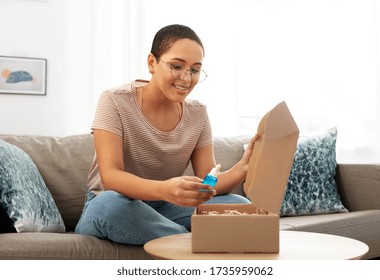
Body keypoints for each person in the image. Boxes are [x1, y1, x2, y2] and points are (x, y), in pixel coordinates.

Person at [75, 24, 258, 245]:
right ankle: (195, 241)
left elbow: (207, 183)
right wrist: (165, 189)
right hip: (114, 204)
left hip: (165, 208)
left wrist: (243, 168)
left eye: (195, 69)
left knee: (237, 204)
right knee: (109, 205)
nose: (187, 78)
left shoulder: (198, 113)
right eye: (177, 66)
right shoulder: (114, 100)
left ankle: (178, 239)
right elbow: (111, 176)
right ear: (152, 63)